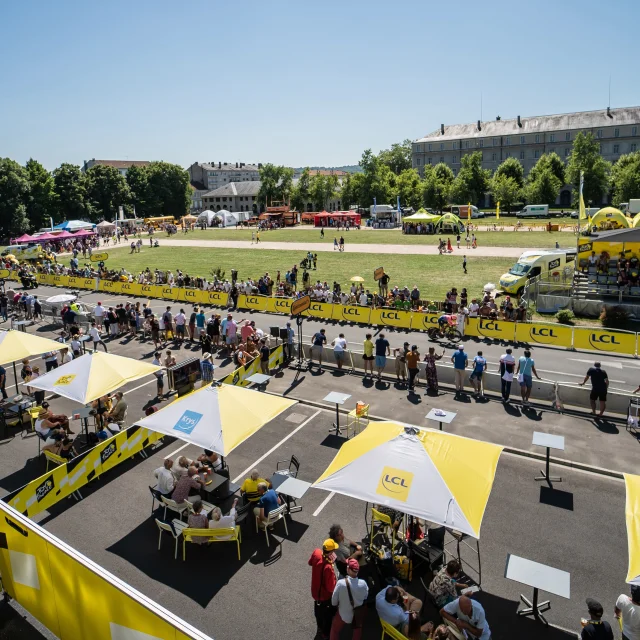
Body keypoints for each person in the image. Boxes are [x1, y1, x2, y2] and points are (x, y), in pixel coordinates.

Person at [330, 558, 369, 640]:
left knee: (334, 629)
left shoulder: (341, 583)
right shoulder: (363, 584)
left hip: (343, 614)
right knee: (357, 630)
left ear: (348, 569)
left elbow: (333, 602)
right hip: (357, 615)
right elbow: (365, 597)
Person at [309, 539, 339, 639]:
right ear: (330, 552)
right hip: (325, 597)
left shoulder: (316, 552)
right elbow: (331, 588)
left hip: (315, 592)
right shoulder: (328, 567)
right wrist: (333, 570)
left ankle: (320, 628)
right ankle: (325, 634)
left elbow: (310, 562)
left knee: (318, 614)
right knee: (327, 617)